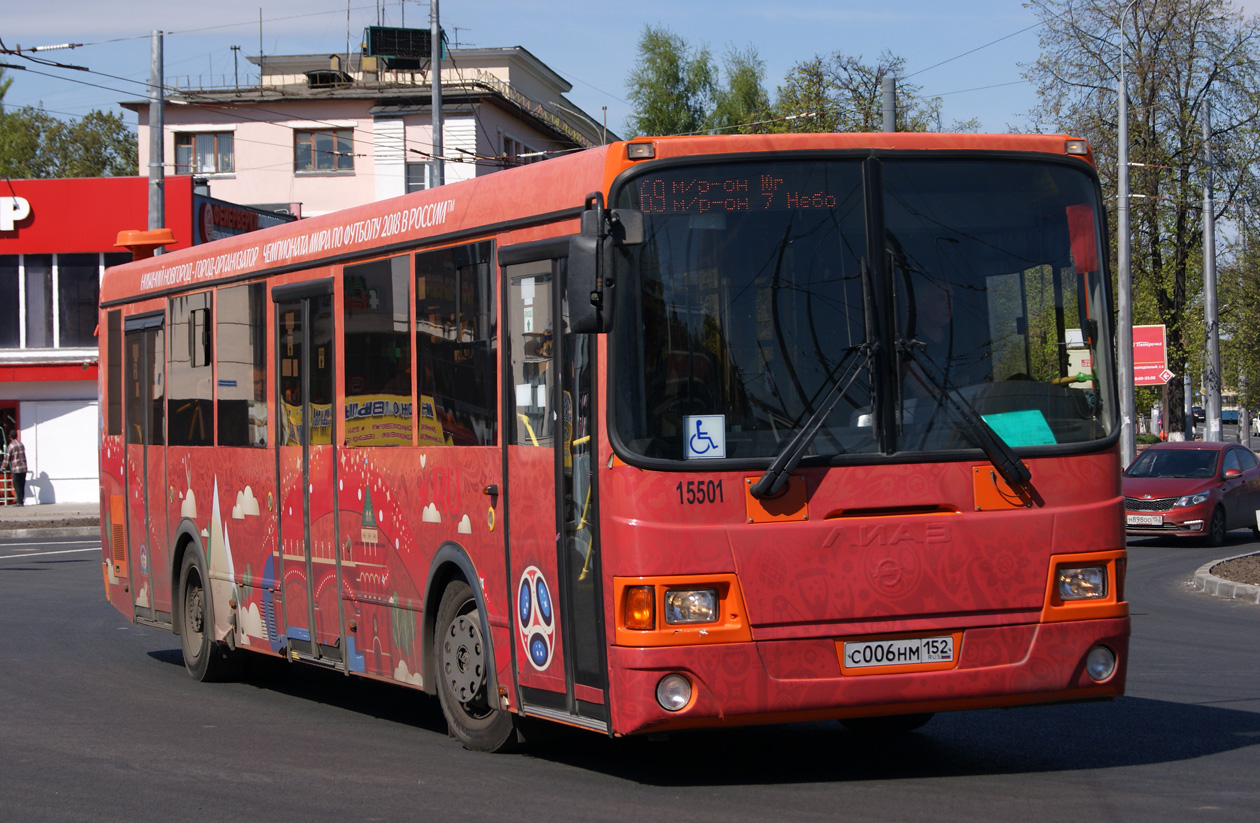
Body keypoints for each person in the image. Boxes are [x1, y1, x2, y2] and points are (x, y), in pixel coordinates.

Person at [2, 428, 28, 506]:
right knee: (22, 485)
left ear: (10, 437)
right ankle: (21, 501)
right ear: (16, 436)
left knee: (17, 485)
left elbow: (6, 459)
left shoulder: (11, 446)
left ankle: (19, 502)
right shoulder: (21, 444)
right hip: (23, 468)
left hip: (16, 469)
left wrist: (2, 468)